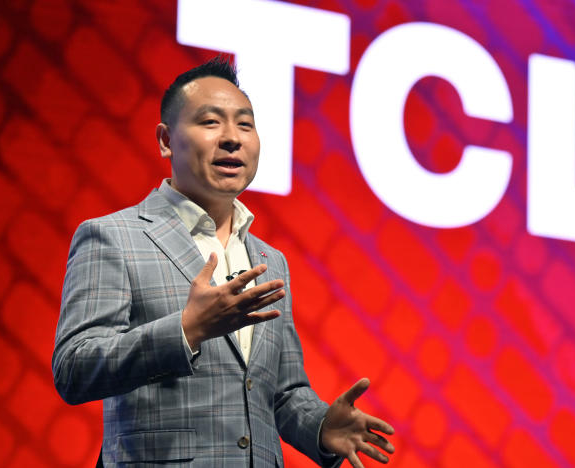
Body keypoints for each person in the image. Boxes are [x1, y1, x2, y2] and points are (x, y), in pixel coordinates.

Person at [52, 56, 395, 468]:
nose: (232, 138)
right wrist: (187, 329)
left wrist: (320, 427)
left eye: (245, 124)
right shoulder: (114, 237)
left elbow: (281, 392)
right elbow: (74, 367)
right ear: (165, 140)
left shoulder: (271, 259)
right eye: (211, 122)